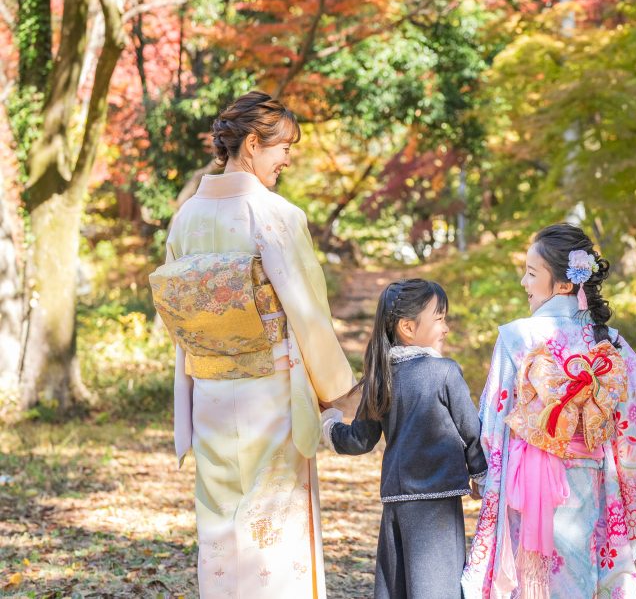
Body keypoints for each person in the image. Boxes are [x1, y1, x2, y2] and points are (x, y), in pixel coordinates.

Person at [153, 91, 355, 597]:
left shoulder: (185, 219)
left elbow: (181, 319)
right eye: (282, 147)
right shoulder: (275, 215)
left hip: (211, 392)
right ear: (249, 144)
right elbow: (307, 313)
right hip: (271, 391)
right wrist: (338, 392)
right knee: (275, 522)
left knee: (219, 523)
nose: (288, 158)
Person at [462, 224, 636, 599]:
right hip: (587, 481)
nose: (523, 282)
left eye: (531, 274)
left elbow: (494, 423)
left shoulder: (516, 336)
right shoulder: (607, 341)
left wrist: (485, 477)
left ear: (563, 285)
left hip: (523, 484)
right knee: (579, 574)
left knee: (529, 580)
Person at [321, 278, 487, 599]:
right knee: (437, 587)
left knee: (400, 587)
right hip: (437, 502)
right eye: (439, 318)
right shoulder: (445, 373)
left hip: (397, 503)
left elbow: (360, 439)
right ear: (408, 328)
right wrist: (482, 474)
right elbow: (471, 430)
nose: (446, 327)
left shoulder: (380, 378)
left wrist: (329, 426)